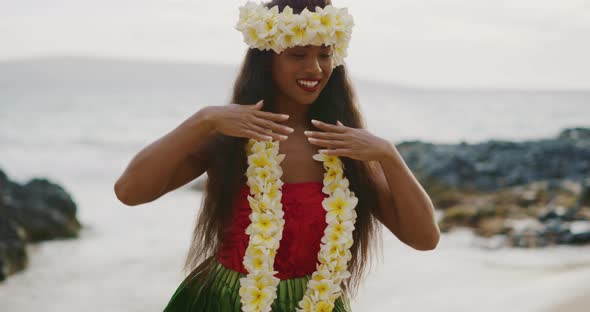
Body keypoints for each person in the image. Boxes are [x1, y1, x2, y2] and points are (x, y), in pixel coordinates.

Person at [114, 0, 440, 311]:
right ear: (267, 58)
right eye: (298, 54)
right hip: (229, 302)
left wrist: (388, 155)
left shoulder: (343, 145)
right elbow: (129, 191)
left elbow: (425, 238)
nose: (314, 68)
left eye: (325, 55)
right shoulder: (230, 138)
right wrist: (204, 119)